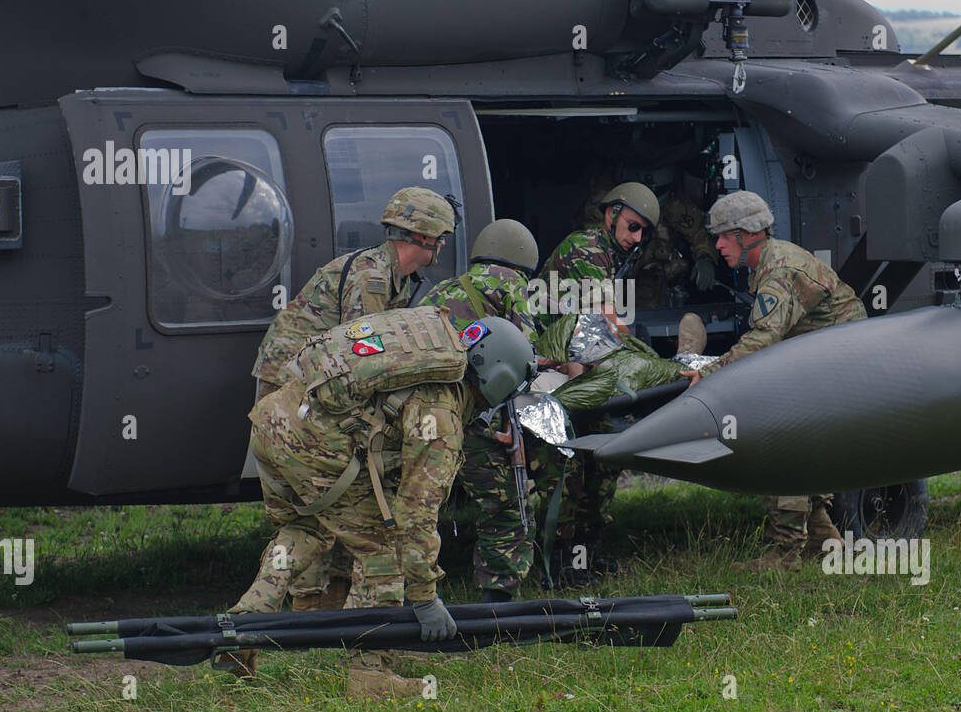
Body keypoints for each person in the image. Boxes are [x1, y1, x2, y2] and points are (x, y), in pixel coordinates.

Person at [231, 309, 536, 699]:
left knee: (306, 528)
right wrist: (425, 598)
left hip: (274, 423)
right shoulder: (441, 413)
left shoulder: (431, 349)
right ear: (499, 379)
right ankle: (369, 675)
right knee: (384, 548)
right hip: (312, 446)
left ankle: (244, 625)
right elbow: (415, 513)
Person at [243, 186, 454, 635]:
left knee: (314, 511)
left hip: (302, 393)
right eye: (441, 239)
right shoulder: (372, 280)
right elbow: (361, 366)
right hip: (295, 396)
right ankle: (317, 613)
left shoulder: (386, 274)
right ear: (429, 238)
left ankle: (284, 610)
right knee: (327, 502)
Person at [681, 190, 866, 569]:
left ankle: (785, 553)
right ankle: (821, 537)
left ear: (748, 233)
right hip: (829, 364)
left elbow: (765, 338)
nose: (717, 245)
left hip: (835, 368)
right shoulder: (769, 262)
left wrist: (709, 374)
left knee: (782, 442)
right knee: (804, 449)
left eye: (723, 235)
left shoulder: (778, 270)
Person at [536, 182, 660, 582]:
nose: (637, 238)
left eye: (643, 231)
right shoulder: (586, 248)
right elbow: (608, 319)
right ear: (611, 214)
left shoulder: (609, 252)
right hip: (550, 368)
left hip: (575, 363)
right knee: (575, 460)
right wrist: (657, 366)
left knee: (600, 457)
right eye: (632, 226)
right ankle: (564, 561)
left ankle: (584, 554)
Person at [419, 219, 542, 603]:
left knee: (418, 504)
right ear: (522, 261)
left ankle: (405, 596)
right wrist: (513, 426)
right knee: (507, 504)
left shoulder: (441, 288)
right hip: (472, 413)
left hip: (421, 414)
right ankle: (497, 600)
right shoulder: (513, 285)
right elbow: (522, 359)